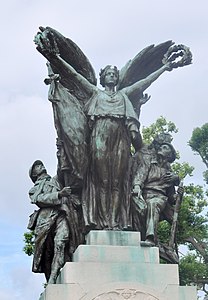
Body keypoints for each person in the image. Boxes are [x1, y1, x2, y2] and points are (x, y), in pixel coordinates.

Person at [28, 160, 72, 284]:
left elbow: (62, 169)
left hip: (61, 214)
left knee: (61, 241)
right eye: (36, 166)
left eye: (40, 164)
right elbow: (39, 199)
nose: (41, 165)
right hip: (45, 220)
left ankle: (53, 276)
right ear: (34, 174)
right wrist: (59, 194)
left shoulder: (55, 180)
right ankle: (50, 280)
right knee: (46, 254)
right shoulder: (33, 190)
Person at [132, 142, 181, 246]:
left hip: (158, 197)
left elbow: (171, 197)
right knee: (132, 204)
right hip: (143, 194)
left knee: (152, 205)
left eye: (165, 147)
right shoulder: (150, 162)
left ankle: (151, 238)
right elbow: (141, 174)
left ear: (170, 155)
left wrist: (177, 196)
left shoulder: (169, 173)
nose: (161, 148)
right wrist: (137, 186)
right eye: (161, 146)